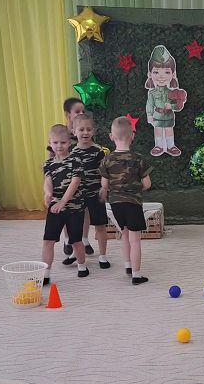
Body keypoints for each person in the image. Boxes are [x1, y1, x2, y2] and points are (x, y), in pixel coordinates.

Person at [98, 117, 153, 285]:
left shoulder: (106, 160)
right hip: (133, 203)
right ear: (132, 136)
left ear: (111, 136)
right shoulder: (138, 158)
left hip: (115, 204)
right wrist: (136, 189)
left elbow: (104, 185)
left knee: (125, 233)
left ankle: (128, 265)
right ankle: (136, 275)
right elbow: (147, 184)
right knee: (135, 240)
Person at [41, 125, 88, 285]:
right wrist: (48, 193)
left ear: (69, 143)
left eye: (63, 142)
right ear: (50, 143)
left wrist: (63, 201)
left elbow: (75, 182)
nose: (59, 146)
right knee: (48, 241)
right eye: (55, 143)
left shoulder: (76, 161)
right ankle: (45, 274)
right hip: (55, 208)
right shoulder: (48, 164)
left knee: (76, 240)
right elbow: (48, 181)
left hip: (74, 208)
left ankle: (82, 265)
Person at [66, 114, 110, 270]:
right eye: (81, 129)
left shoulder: (98, 151)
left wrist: (105, 188)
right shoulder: (71, 152)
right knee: (76, 225)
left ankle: (102, 256)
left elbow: (105, 172)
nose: (85, 132)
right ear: (74, 131)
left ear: (93, 131)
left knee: (100, 225)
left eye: (89, 129)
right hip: (78, 195)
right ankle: (76, 252)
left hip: (95, 193)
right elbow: (69, 174)